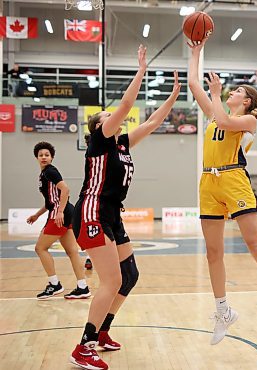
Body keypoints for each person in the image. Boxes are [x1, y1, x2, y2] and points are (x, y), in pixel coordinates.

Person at [69, 45, 181, 370]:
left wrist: (173, 95)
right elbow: (128, 104)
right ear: (100, 125)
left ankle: (102, 331)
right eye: (107, 115)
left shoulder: (121, 143)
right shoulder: (100, 139)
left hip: (111, 216)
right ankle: (83, 347)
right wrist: (142, 69)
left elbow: (153, 121)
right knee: (111, 281)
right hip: (92, 212)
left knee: (129, 275)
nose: (113, 115)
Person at [188, 39, 257, 345]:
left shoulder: (248, 120)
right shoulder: (214, 111)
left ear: (246, 102)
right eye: (231, 91)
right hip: (208, 181)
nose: (232, 92)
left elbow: (223, 120)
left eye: (238, 92)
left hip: (234, 179)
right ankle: (223, 312)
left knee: (254, 243)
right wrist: (196, 52)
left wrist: (218, 95)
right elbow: (195, 83)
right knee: (212, 252)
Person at [27, 142, 90, 300]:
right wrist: (37, 214)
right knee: (72, 251)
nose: (43, 157)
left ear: (52, 157)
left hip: (61, 213)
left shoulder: (50, 171)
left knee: (40, 248)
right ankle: (83, 287)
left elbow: (65, 190)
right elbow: (50, 201)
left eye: (47, 155)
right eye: (41, 155)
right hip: (67, 211)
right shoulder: (44, 174)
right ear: (36, 157)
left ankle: (54, 284)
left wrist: (60, 212)